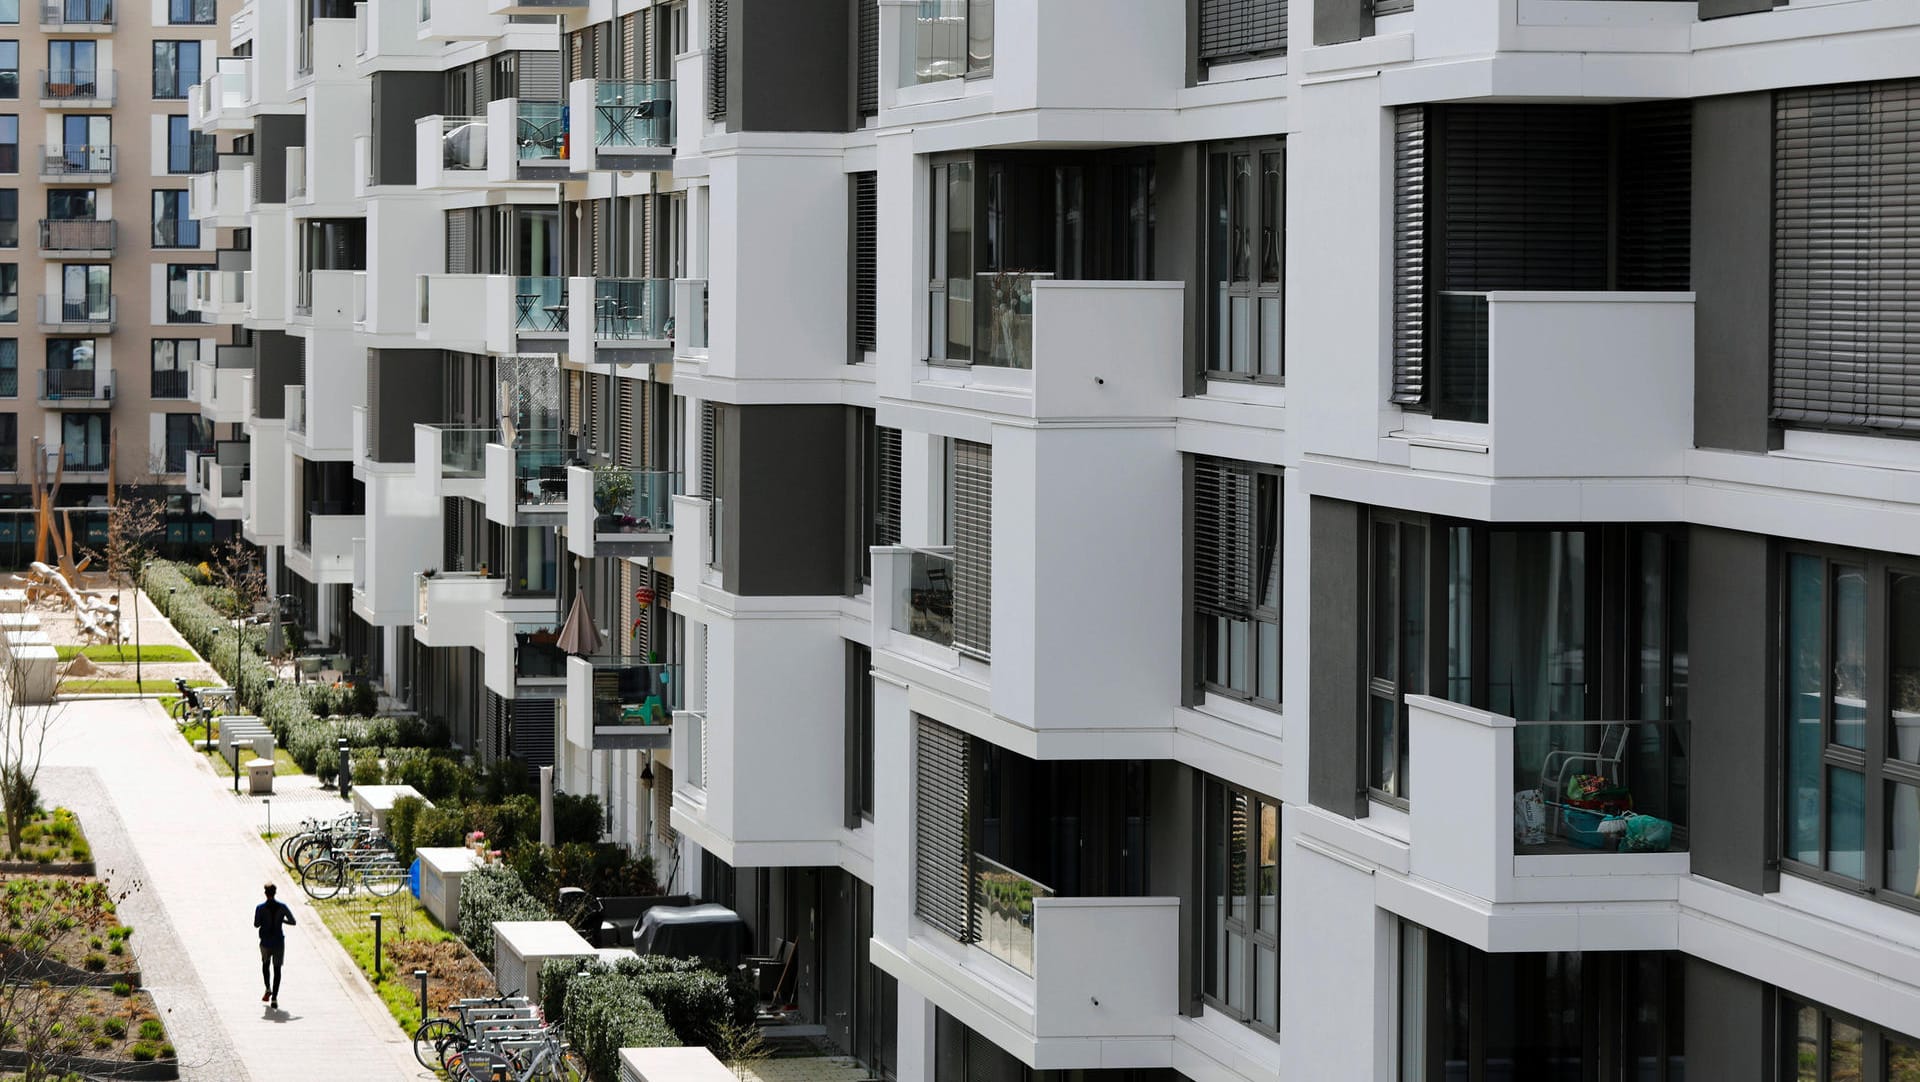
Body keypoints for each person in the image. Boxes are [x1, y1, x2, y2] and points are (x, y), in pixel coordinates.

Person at [254, 883, 295, 1009]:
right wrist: (281, 920)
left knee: (265, 964)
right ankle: (275, 998)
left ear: (265, 893)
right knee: (277, 970)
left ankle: (267, 987)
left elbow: (256, 924)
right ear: (275, 893)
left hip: (265, 941)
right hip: (278, 942)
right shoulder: (282, 907)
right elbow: (293, 921)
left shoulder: (260, 908)